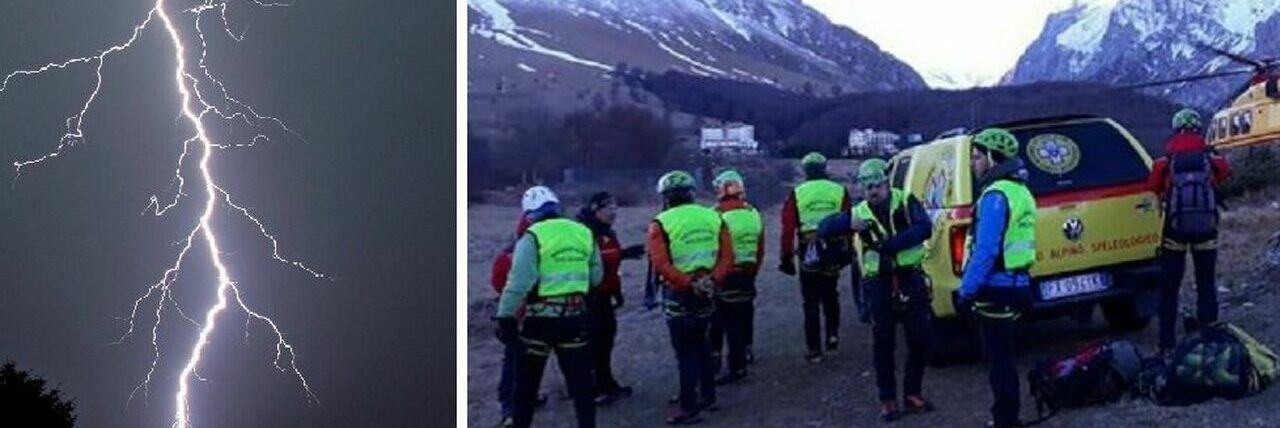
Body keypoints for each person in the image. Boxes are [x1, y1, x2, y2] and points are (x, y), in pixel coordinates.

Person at [494, 186, 604, 428]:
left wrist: (505, 317)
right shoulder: (584, 232)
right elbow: (596, 277)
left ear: (529, 215)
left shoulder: (531, 237)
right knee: (581, 387)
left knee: (526, 388)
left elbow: (518, 283)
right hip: (575, 318)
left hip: (540, 322)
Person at [955, 128, 1037, 428]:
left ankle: (1005, 419)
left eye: (977, 157)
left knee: (999, 362)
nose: (973, 164)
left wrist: (966, 291)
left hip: (995, 288)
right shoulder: (1020, 190)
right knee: (1006, 358)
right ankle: (1008, 416)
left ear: (993, 158)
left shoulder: (995, 195)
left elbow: (986, 250)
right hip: (1016, 283)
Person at [844, 159, 935, 422]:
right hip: (878, 283)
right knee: (883, 342)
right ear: (862, 188)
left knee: (920, 337)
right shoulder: (859, 212)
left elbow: (924, 227)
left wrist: (890, 245)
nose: (873, 191)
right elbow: (827, 227)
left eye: (877, 185)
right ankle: (887, 399)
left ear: (886, 183)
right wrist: (848, 223)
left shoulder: (905, 201)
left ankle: (912, 393)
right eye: (868, 186)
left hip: (909, 277)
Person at [647, 170, 734, 425]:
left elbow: (660, 264)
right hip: (708, 289)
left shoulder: (660, 222)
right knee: (703, 344)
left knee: (685, 351)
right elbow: (727, 256)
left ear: (666, 197)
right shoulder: (714, 217)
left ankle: (689, 406)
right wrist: (712, 279)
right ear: (691, 193)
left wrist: (688, 283)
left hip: (679, 293)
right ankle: (708, 396)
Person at [1146, 108, 1232, 355]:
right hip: (1206, 230)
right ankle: (1209, 337)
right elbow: (1226, 172)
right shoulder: (1210, 158)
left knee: (1169, 288)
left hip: (1175, 231)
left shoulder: (1166, 160)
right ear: (1197, 128)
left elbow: (1152, 185)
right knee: (1206, 283)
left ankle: (1166, 343)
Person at [779, 152, 852, 362]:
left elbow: (787, 227)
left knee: (810, 301)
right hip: (834, 248)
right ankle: (832, 335)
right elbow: (849, 221)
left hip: (808, 248)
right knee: (831, 294)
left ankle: (814, 349)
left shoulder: (797, 192)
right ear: (825, 168)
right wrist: (848, 250)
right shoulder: (839, 190)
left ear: (805, 170)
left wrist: (786, 257)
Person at [575, 192, 645, 406]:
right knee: (594, 343)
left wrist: (625, 255)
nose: (613, 212)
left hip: (606, 294)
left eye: (615, 207)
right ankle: (593, 388)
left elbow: (609, 259)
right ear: (596, 209)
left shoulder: (608, 232)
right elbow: (591, 262)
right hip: (589, 296)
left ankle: (607, 383)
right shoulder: (584, 232)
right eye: (608, 208)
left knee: (606, 341)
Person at [706, 170, 765, 385]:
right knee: (742, 318)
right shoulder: (753, 213)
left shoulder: (715, 214)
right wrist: (753, 270)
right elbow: (760, 247)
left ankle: (720, 363)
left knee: (719, 322)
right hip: (747, 274)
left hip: (724, 275)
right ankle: (742, 358)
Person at [489, 211, 540, 427]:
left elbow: (497, 283)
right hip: (529, 316)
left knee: (516, 360)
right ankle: (510, 408)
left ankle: (515, 403)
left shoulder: (506, 256)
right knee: (517, 361)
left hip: (515, 315)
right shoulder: (539, 253)